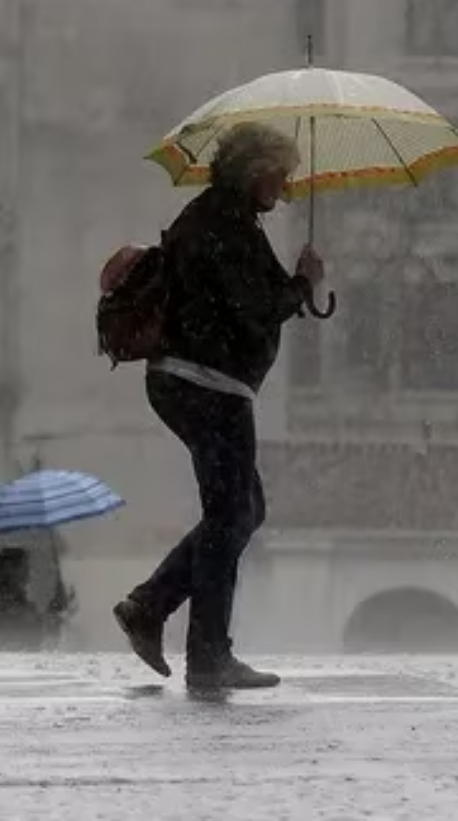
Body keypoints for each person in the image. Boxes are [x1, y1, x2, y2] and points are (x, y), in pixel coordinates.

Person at [111, 123, 322, 691]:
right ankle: (204, 654)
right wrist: (303, 283)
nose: (287, 183)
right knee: (233, 514)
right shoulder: (220, 226)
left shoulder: (227, 220)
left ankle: (153, 607)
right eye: (281, 172)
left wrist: (298, 286)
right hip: (205, 386)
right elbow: (255, 308)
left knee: (241, 511)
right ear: (255, 171)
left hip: (204, 385)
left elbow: (256, 298)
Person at [0, 547, 72, 652]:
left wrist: (55, 607)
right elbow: (29, 627)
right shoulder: (1, 599)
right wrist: (55, 610)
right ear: (9, 569)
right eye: (24, 568)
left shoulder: (11, 597)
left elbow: (34, 624)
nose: (28, 574)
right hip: (9, 661)